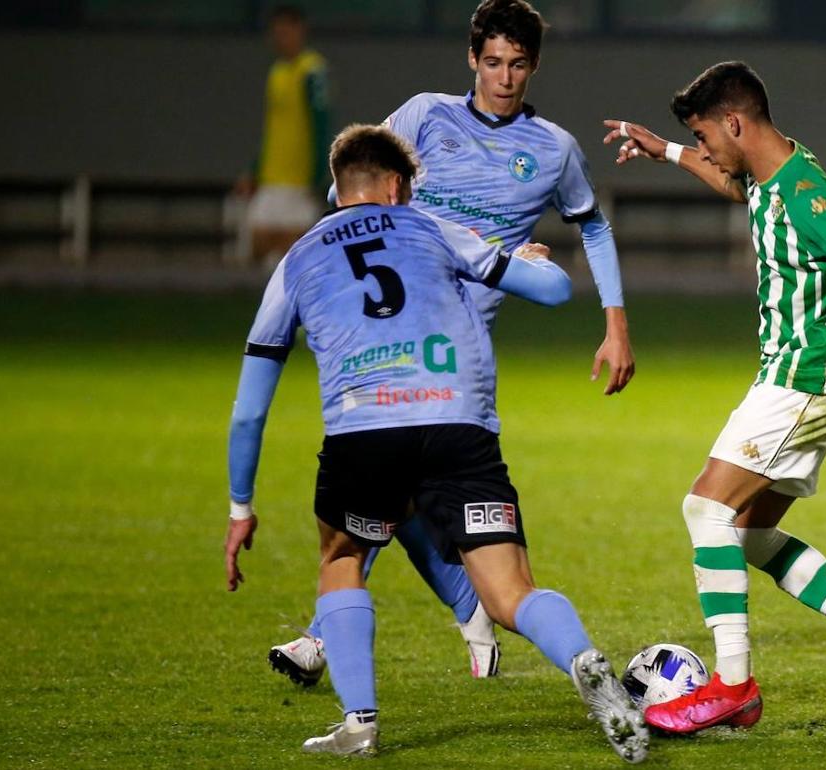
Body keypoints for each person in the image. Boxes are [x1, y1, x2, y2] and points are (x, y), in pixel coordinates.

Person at [224, 124, 648, 762]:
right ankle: (586, 662)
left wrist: (240, 506)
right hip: (458, 427)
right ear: (397, 186)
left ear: (341, 190)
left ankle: (359, 723)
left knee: (341, 561)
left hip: (363, 431)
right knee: (510, 592)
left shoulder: (298, 258)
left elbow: (250, 410)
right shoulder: (431, 227)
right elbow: (556, 292)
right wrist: (531, 263)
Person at [268, 0, 636, 686]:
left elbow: (594, 227)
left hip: (459, 348)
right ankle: (459, 602)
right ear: (472, 59)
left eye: (518, 64)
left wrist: (615, 324)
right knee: (397, 483)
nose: (504, 77)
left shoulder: (552, 148)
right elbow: (355, 200)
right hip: (390, 331)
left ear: (534, 66)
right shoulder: (422, 116)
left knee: (391, 476)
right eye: (492, 62)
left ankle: (333, 633)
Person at [602, 61, 826, 732]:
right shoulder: (774, 169)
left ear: (734, 122)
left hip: (802, 383)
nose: (706, 148)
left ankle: (733, 686)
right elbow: (734, 184)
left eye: (703, 134)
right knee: (748, 533)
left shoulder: (809, 195)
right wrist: (663, 150)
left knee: (704, 510)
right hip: (799, 381)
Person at [235, 5, 331, 265]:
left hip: (298, 179)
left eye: (287, 31)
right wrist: (254, 170)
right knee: (255, 245)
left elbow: (322, 124)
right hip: (271, 176)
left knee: (296, 251)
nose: (281, 38)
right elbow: (273, 129)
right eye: (277, 32)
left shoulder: (312, 70)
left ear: (301, 31)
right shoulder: (276, 72)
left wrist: (318, 173)